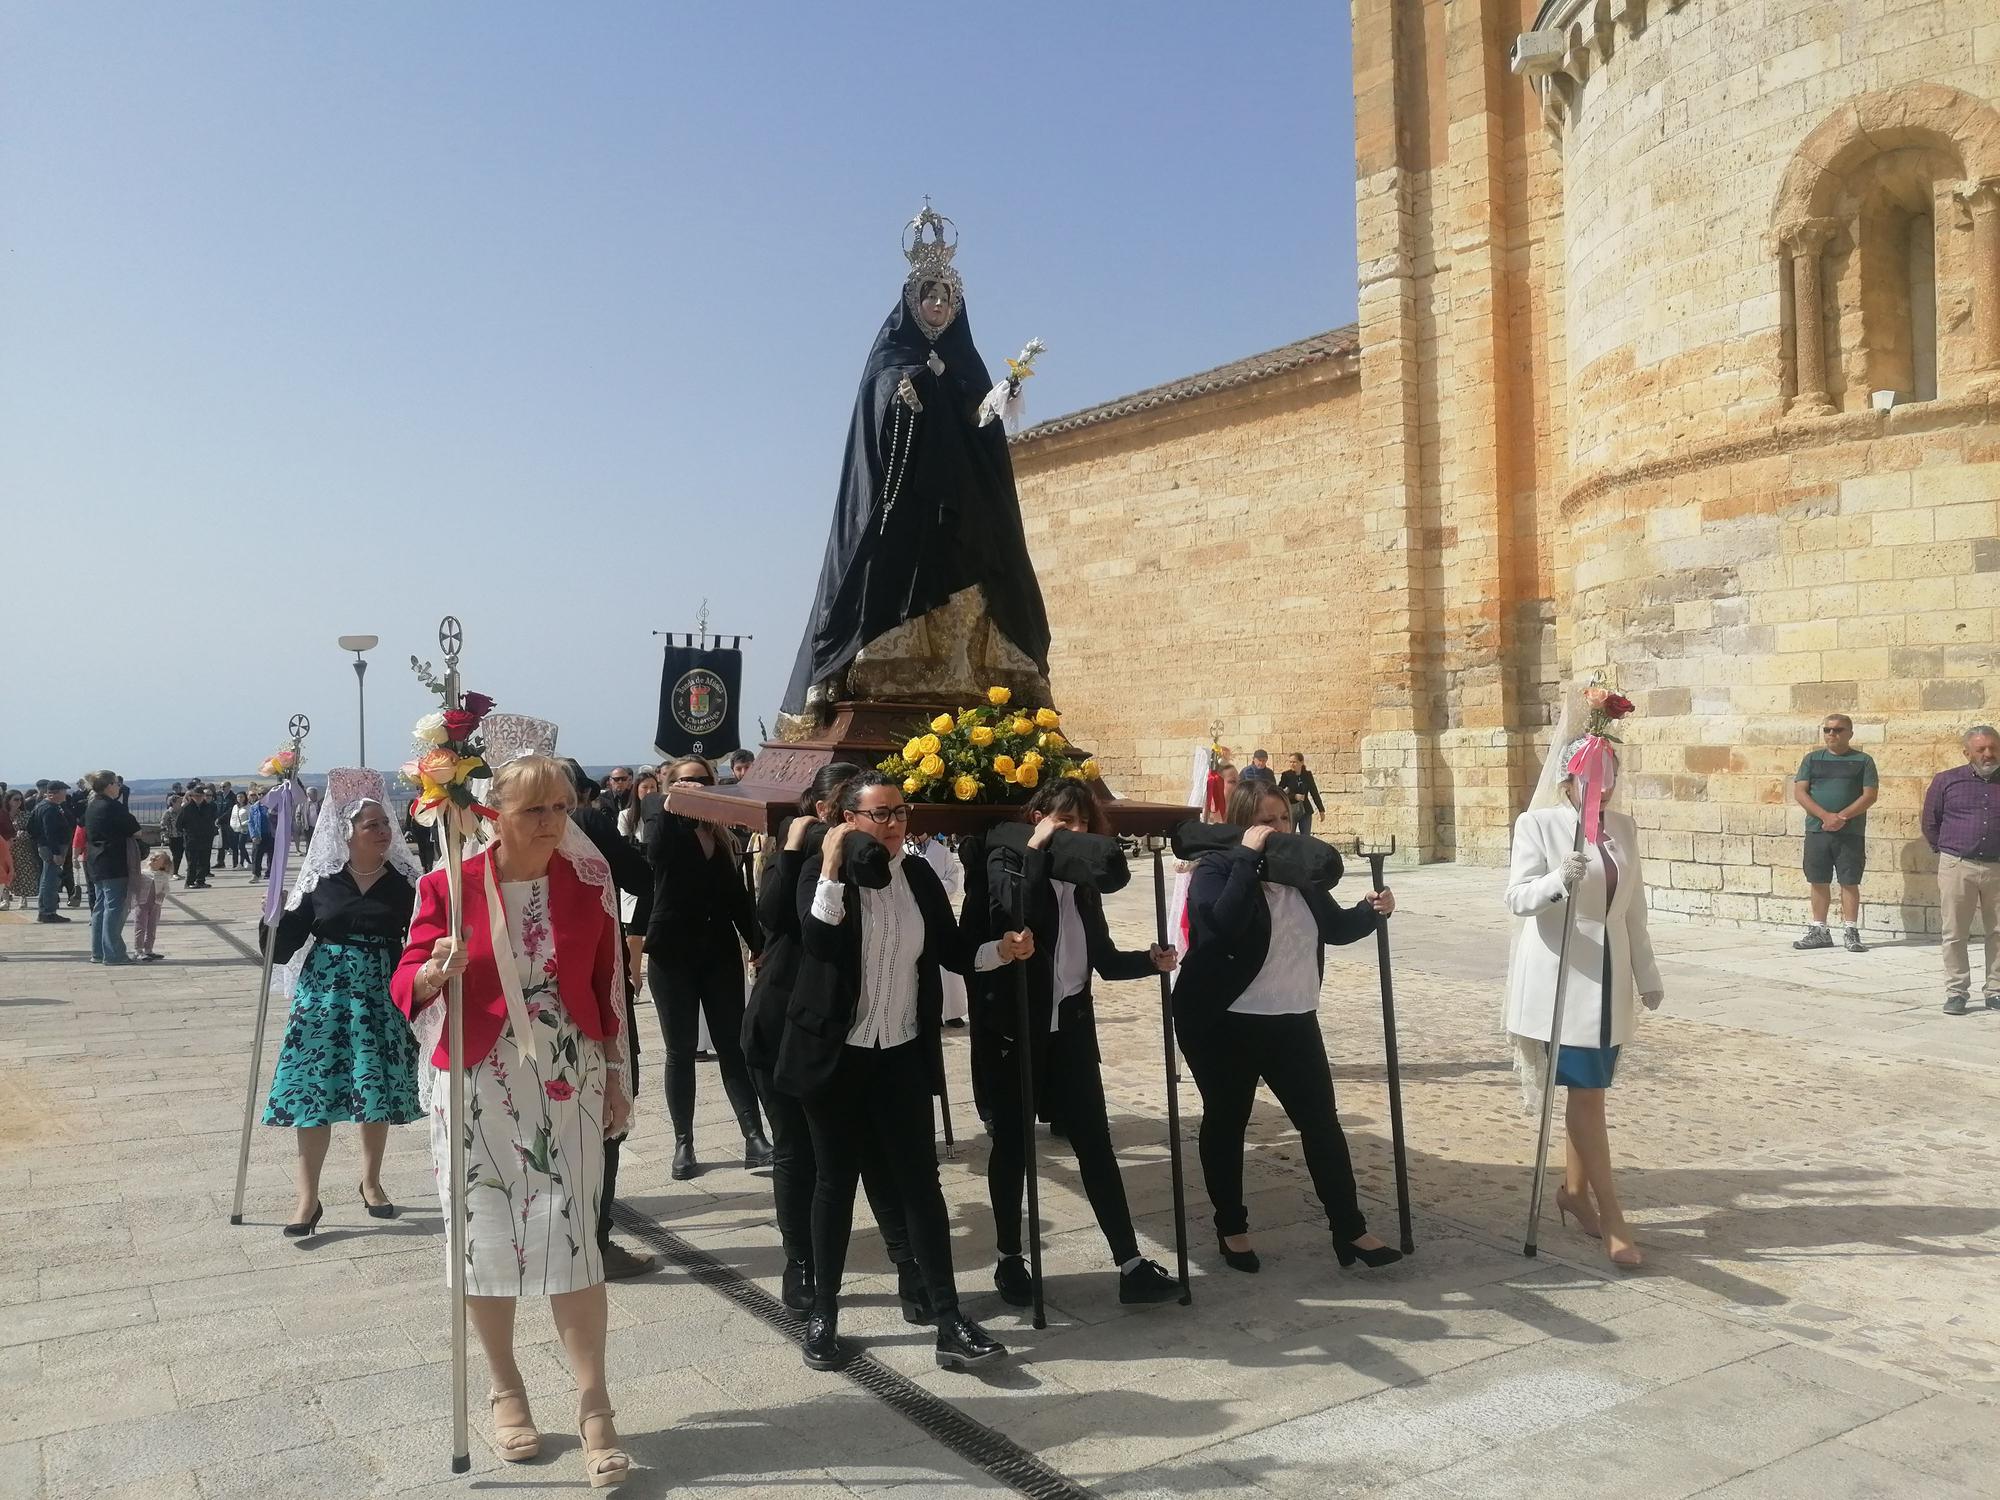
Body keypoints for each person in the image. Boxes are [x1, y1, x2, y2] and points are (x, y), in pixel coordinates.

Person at [392, 754, 635, 1487]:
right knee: (484, 1242)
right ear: (494, 813)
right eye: (536, 810)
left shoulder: (589, 884)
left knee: (574, 1238)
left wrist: (618, 1075)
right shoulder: (450, 885)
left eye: (561, 807)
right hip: (478, 1078)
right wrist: (436, 971)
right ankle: (506, 1391)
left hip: (568, 1077)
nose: (554, 822)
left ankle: (596, 1409)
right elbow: (405, 975)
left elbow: (610, 987)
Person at [786, 770, 1032, 1371]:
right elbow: (818, 942)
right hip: (838, 1055)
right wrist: (829, 863)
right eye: (880, 815)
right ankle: (823, 1314)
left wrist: (1003, 950)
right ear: (849, 820)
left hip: (898, 1051)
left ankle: (949, 1321)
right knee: (834, 1186)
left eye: (901, 812)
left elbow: (950, 952)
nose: (894, 825)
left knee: (922, 1187)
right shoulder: (822, 877)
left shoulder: (918, 876)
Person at [781, 202, 1052, 728]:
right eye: (928, 294)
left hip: (961, 503)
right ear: (912, 301)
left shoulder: (966, 362)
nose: (936, 303)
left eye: (945, 296)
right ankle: (861, 667)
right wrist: (900, 393)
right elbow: (874, 405)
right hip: (903, 501)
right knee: (879, 570)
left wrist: (997, 400)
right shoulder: (891, 355)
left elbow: (980, 426)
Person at [1176, 780, 1401, 1276]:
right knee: (1227, 1123)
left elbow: (1335, 929)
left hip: (1294, 1018)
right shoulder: (1215, 868)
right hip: (1225, 1022)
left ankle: (1350, 1228)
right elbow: (1221, 926)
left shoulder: (1300, 874)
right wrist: (1244, 859)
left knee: (1321, 1123)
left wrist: (1371, 911)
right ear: (1243, 825)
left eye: (1283, 819)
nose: (1278, 829)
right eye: (1266, 821)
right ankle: (1231, 1228)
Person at [979, 780, 1181, 1307]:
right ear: (1039, 817)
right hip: (1015, 1028)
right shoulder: (1008, 856)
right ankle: (1008, 1258)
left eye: (1082, 823)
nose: (1075, 832)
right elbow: (1017, 902)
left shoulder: (1085, 883)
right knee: (1013, 1147)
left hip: (1070, 1026)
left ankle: (1130, 1262)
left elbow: (1104, 960)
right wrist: (1038, 848)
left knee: (1095, 1142)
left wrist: (1148, 962)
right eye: (1062, 821)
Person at [744, 763, 930, 1319]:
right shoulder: (805, 855)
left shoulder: (880, 871)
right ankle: (800, 1264)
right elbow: (773, 919)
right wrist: (799, 847)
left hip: (846, 1029)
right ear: (828, 813)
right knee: (799, 1154)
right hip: (785, 1023)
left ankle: (908, 1267)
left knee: (875, 1153)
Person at [1503, 696, 1663, 1271]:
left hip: (1610, 977)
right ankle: (1613, 1218)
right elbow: (1517, 898)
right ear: (1570, 780)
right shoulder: (1538, 825)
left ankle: (1572, 1194)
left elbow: (1632, 909)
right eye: (1594, 779)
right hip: (1561, 981)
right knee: (1587, 1096)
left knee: (1588, 1092)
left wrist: (1646, 972)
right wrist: (1555, 881)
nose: (1604, 789)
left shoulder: (1622, 828)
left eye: (1611, 778)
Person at [262, 777, 425, 1235]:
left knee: (373, 1089)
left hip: (380, 993)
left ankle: (371, 1181)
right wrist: (271, 916)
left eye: (385, 823)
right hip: (325, 995)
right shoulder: (322, 881)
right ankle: (307, 1197)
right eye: (371, 825)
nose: (382, 831)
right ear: (346, 831)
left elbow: (423, 939)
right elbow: (281, 947)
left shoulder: (406, 884)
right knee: (314, 1090)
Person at [644, 756, 770, 1179]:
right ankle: (684, 1143)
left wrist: (758, 944)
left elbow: (736, 896)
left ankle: (754, 1136)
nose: (695, 786)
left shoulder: (723, 833)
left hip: (717, 952)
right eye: (685, 781)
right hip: (672, 953)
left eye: (702, 780)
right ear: (670, 785)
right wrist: (670, 804)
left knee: (732, 1044)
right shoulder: (662, 823)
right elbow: (655, 853)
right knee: (680, 1050)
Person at [561, 758, 658, 1281]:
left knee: (605, 1112)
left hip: (588, 988)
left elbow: (643, 878)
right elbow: (645, 876)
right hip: (589, 988)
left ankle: (585, 1235)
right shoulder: (592, 824)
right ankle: (592, 1237)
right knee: (605, 1117)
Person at [1922, 725, 2000, 1015]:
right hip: (1957, 865)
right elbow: (1931, 822)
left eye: (1993, 747)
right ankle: (1956, 992)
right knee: (1955, 932)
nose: (1988, 753)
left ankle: (1996, 991)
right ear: (1967, 752)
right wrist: (1947, 853)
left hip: (1998, 867)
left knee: (1998, 932)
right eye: (1981, 749)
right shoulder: (1946, 781)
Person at [1792, 714, 1879, 953]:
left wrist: (1841, 818)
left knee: (1849, 880)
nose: (1832, 734)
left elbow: (1869, 795)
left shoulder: (1863, 760)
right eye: (1827, 730)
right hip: (1817, 830)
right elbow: (1800, 792)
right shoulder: (1811, 759)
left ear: (1850, 733)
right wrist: (1825, 817)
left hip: (1850, 832)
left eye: (1839, 730)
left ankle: (1850, 930)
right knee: (1818, 879)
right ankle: (1819, 930)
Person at [83, 771, 143, 964]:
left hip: (96, 861)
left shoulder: (92, 805)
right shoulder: (112, 806)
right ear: (109, 785)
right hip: (113, 862)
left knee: (100, 907)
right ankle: (114, 953)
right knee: (114, 908)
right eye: (117, 784)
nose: (119, 787)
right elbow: (136, 830)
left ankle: (98, 951)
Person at [28, 781, 74, 923]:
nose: (65, 794)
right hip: (52, 848)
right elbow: (50, 833)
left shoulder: (43, 806)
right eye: (63, 791)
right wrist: (56, 852)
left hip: (47, 846)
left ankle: (46, 910)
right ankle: (47, 912)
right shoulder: (49, 809)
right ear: (54, 793)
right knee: (50, 880)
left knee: (47, 879)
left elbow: (31, 827)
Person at [130, 847, 171, 961]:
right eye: (154, 856)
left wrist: (163, 893)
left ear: (163, 864)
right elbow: (135, 885)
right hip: (142, 903)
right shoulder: (143, 873)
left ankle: (149, 949)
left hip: (156, 904)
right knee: (140, 926)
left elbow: (166, 888)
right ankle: (138, 950)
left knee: (152, 927)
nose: (154, 858)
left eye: (158, 858)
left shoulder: (163, 875)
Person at [1279, 753, 1326, 837]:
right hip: (1291, 810)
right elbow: (1280, 793)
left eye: (1294, 762)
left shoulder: (1307, 775)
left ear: (1301, 762)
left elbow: (1314, 792)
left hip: (1305, 810)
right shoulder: (1286, 775)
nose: (1292, 764)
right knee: (1290, 836)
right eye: (1290, 762)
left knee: (1305, 837)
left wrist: (1321, 810)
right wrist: (1294, 796)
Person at [180, 786, 217, 889]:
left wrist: (210, 833)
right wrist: (188, 833)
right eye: (196, 796)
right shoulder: (187, 808)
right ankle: (189, 882)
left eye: (201, 796)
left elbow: (212, 821)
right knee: (192, 862)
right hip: (192, 839)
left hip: (205, 839)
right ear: (192, 797)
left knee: (204, 861)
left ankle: (201, 880)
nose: (198, 798)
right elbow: (180, 824)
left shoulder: (208, 808)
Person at [161, 792, 185, 876]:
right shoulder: (168, 813)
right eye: (178, 802)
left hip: (182, 836)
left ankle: (175, 871)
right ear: (173, 803)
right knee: (176, 855)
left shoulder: (182, 811)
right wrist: (165, 836)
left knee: (180, 855)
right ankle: (174, 872)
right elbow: (163, 825)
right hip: (172, 837)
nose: (180, 803)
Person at [228, 792, 252, 870]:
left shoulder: (248, 807)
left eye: (241, 797)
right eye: (238, 797)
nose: (240, 798)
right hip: (235, 829)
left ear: (245, 797)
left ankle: (241, 863)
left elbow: (250, 819)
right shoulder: (235, 807)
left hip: (244, 829)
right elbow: (232, 817)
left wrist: (243, 824)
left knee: (241, 846)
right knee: (238, 846)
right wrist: (231, 825)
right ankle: (249, 862)